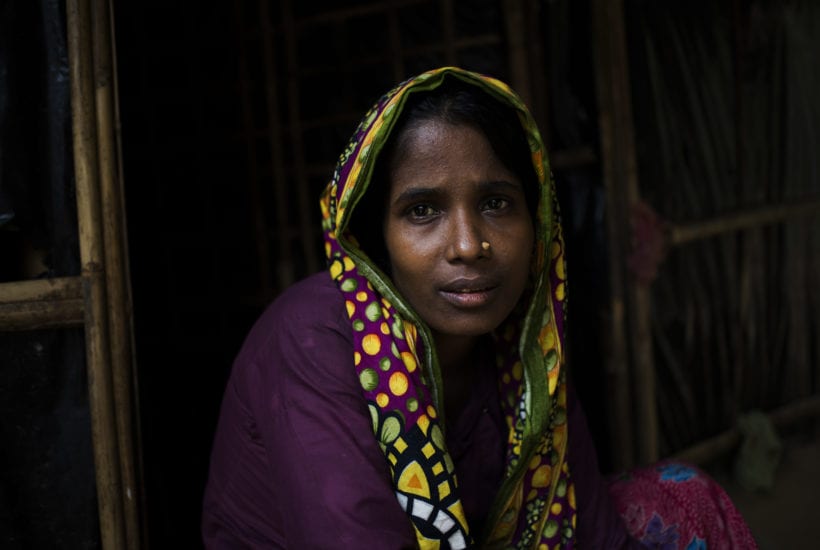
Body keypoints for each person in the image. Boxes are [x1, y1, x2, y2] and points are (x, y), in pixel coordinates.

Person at [202, 67, 756, 549]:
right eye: (422, 210)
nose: (468, 244)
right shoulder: (311, 341)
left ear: (535, 220)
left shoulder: (525, 341)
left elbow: (595, 535)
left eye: (495, 203)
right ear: (375, 240)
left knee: (686, 500)